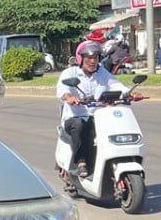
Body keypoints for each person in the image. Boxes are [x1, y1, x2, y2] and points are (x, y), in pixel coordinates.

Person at [58, 40, 137, 178]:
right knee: (79, 125)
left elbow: (116, 85)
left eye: (95, 57)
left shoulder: (102, 73)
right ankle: (80, 162)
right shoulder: (70, 73)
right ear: (80, 58)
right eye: (89, 57)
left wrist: (130, 94)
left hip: (98, 117)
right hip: (75, 117)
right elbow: (63, 90)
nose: (93, 61)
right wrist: (70, 97)